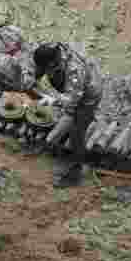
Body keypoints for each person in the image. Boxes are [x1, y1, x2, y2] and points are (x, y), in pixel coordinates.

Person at [31, 42, 104, 188]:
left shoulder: (74, 71)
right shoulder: (54, 51)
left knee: (77, 134)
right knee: (66, 121)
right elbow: (39, 68)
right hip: (76, 87)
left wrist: (53, 100)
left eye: (47, 68)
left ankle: (77, 170)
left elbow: (72, 100)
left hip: (88, 97)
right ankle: (64, 135)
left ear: (53, 63)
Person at [0, 24, 36, 175]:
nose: (21, 48)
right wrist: (28, 64)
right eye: (19, 45)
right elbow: (23, 84)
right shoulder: (4, 62)